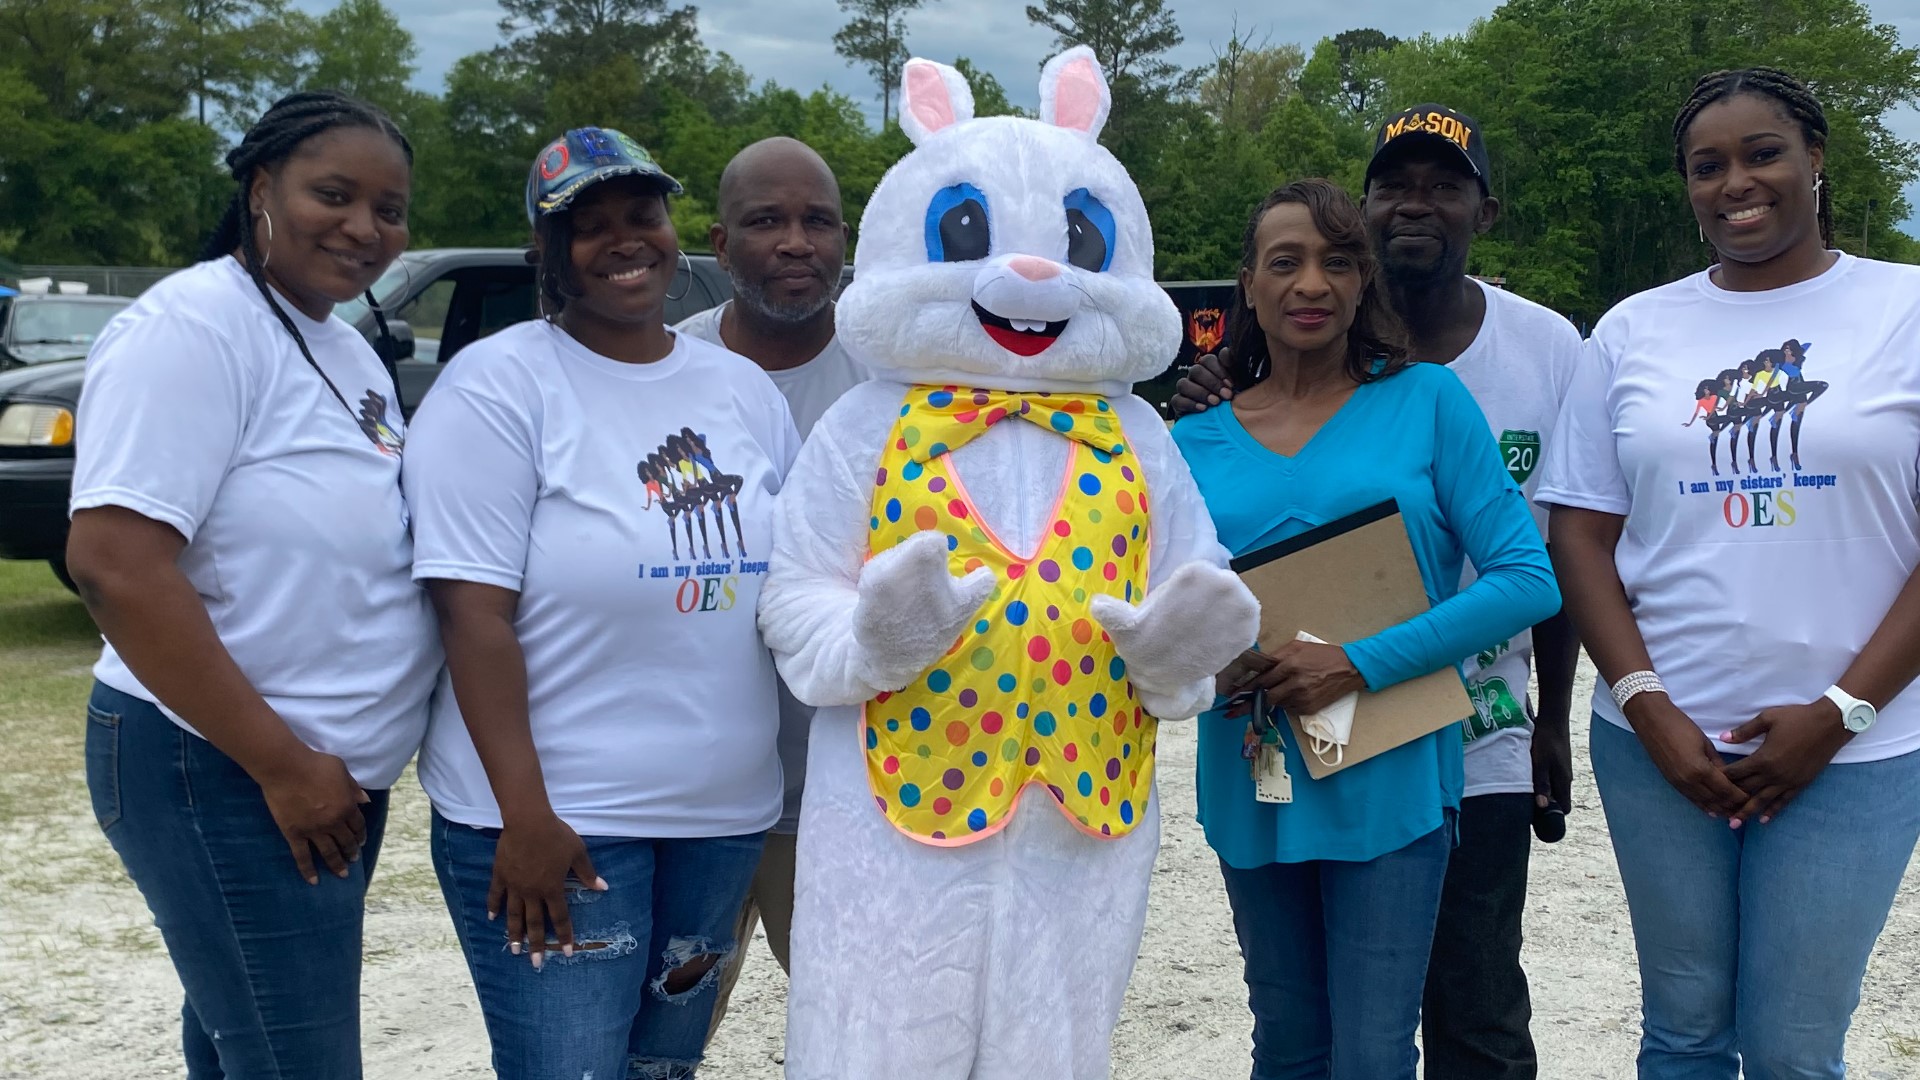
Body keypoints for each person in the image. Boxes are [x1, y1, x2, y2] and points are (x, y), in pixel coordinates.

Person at [1176, 104, 1584, 1080]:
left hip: (1392, 771)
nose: (1311, 284)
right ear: (1248, 283)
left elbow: (1528, 579)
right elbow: (1156, 612)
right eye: (1284, 261)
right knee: (1286, 1044)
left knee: (1371, 1053)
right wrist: (1199, 660)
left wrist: (1355, 662)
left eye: (1336, 262)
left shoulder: (1428, 402)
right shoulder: (1185, 441)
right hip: (1253, 769)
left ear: (1364, 282)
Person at [1538, 67, 1920, 1080]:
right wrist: (1646, 703)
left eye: (1763, 154)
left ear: (1816, 159)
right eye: (1707, 167)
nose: (1736, 183)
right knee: (1685, 1033)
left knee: (1794, 1049)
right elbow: (1579, 529)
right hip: (1658, 748)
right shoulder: (1631, 331)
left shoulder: (1905, 308)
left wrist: (1840, 712)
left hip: (1861, 752)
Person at [402, 127, 799, 1079]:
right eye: (589, 226)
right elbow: (471, 615)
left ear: (673, 230)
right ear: (544, 252)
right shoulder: (499, 387)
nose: (626, 241)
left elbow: (794, 580)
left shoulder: (741, 391)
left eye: (642, 216)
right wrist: (524, 817)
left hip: (720, 818)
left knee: (664, 1069)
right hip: (564, 827)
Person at [66, 90, 440, 1079]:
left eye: (390, 209)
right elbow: (114, 563)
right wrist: (283, 764)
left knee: (246, 1044)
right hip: (223, 766)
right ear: (262, 189)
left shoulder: (343, 345)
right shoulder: (191, 329)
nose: (364, 227)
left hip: (322, 776)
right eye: (334, 194)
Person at [671, 136, 870, 1039]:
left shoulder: (897, 381)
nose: (796, 242)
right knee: (658, 1041)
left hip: (841, 789)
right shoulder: (661, 373)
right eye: (766, 221)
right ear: (720, 244)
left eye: (817, 221)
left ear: (846, 236)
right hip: (685, 793)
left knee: (861, 1035)